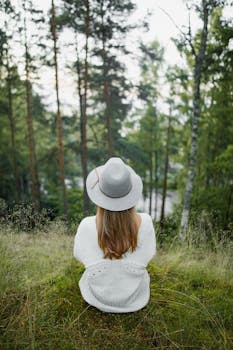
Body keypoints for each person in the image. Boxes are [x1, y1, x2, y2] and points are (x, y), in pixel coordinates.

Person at [73, 157, 156, 313]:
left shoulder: (86, 225)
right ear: (130, 192)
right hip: (135, 298)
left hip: (96, 297)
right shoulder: (146, 222)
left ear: (100, 193)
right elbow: (149, 255)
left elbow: (79, 255)